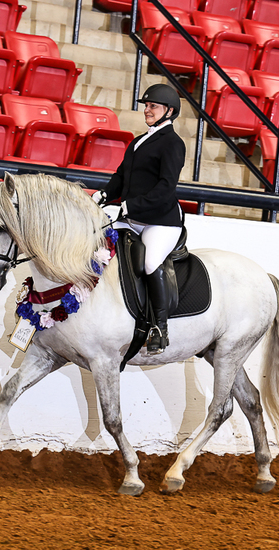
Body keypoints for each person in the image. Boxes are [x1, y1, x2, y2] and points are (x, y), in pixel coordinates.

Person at [93, 84, 186, 356]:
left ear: (169, 111)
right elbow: (122, 177)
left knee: (149, 260)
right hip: (131, 215)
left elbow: (165, 187)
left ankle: (160, 327)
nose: (147, 110)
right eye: (146, 105)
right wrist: (104, 194)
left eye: (153, 106)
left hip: (160, 220)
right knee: (97, 242)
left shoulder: (173, 144)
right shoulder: (138, 141)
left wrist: (129, 206)